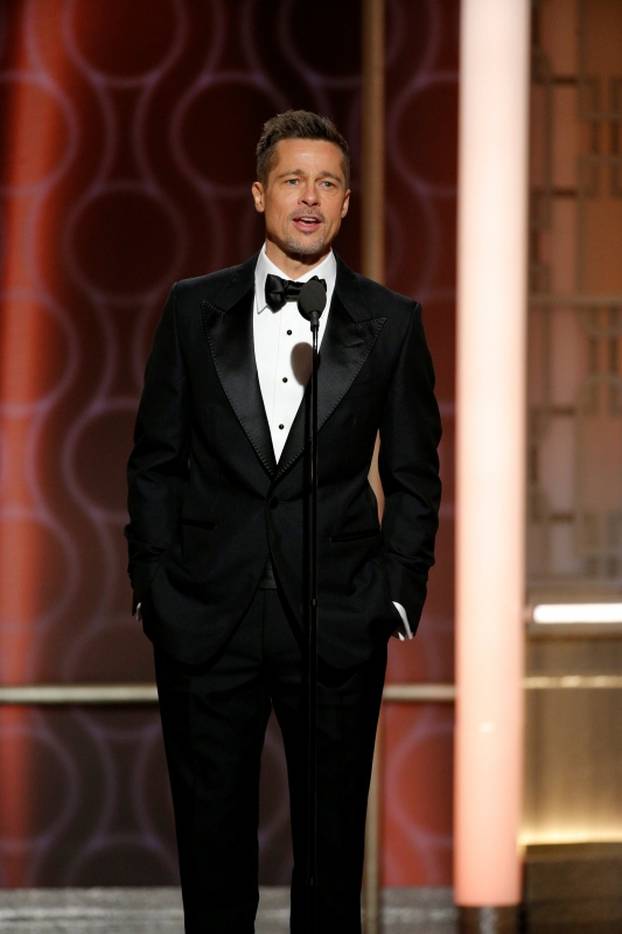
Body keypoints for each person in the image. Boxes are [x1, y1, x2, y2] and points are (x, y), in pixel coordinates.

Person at [125, 109, 441, 934]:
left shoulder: (392, 321)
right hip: (204, 617)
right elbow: (154, 459)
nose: (311, 197)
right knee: (213, 859)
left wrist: (398, 592)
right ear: (260, 193)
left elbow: (415, 474)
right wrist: (152, 588)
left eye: (328, 182)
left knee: (331, 867)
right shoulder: (194, 311)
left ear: (346, 204)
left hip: (336, 617)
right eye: (294, 180)